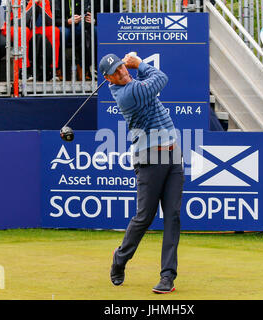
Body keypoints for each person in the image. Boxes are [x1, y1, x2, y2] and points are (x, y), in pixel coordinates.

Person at [100, 52, 184, 294]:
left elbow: (152, 81)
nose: (121, 72)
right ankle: (120, 257)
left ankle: (167, 276)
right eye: (115, 72)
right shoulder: (127, 94)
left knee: (173, 216)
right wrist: (139, 63)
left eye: (122, 67)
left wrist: (135, 67)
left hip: (172, 154)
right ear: (109, 79)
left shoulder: (133, 84)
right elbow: (161, 78)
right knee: (144, 217)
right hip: (149, 158)